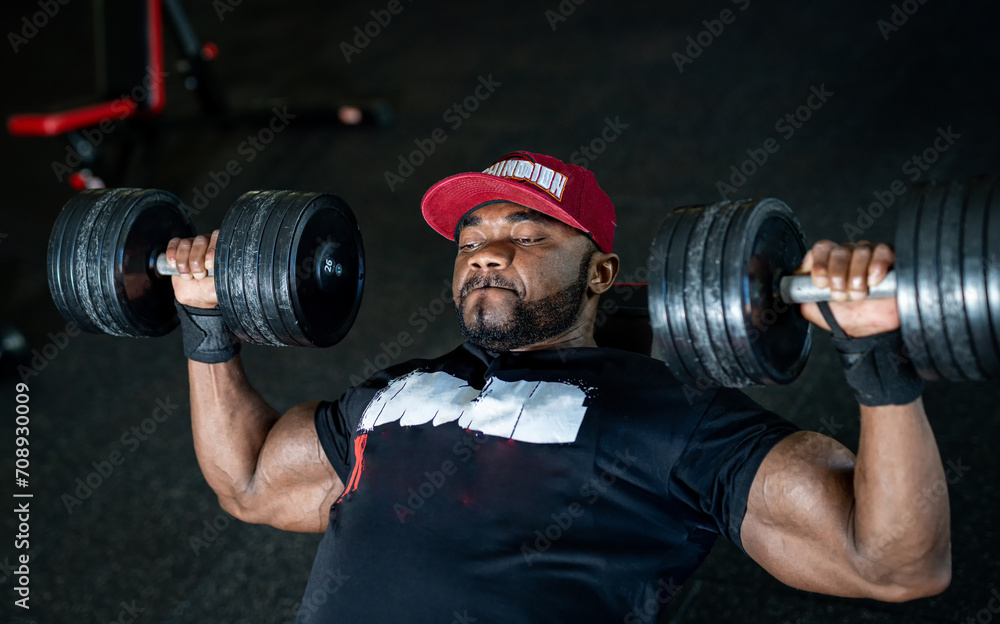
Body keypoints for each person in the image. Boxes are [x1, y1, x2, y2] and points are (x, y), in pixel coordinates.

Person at [166, 151, 950, 623]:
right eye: (471, 239)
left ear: (601, 273)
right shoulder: (392, 392)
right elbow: (250, 481)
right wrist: (206, 324)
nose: (486, 252)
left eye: (526, 235)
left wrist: (874, 354)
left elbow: (894, 564)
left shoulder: (671, 416)